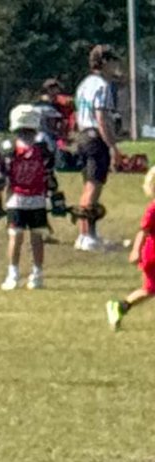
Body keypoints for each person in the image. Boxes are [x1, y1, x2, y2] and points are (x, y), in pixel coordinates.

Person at [0, 104, 56, 290]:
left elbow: (48, 174)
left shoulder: (40, 148)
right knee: (21, 237)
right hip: (21, 198)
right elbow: (5, 175)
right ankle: (17, 273)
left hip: (31, 198)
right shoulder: (13, 149)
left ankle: (33, 274)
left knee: (31, 237)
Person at [75, 45, 123, 250]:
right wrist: (112, 146)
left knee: (88, 186)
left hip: (83, 135)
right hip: (95, 137)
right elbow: (102, 118)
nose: (115, 65)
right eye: (112, 61)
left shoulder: (84, 84)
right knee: (94, 187)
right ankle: (87, 236)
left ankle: (85, 233)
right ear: (103, 62)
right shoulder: (102, 86)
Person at [105, 167, 155, 328]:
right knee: (149, 289)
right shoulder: (153, 209)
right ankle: (119, 306)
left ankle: (121, 306)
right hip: (152, 256)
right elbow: (144, 231)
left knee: (149, 290)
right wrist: (135, 251)